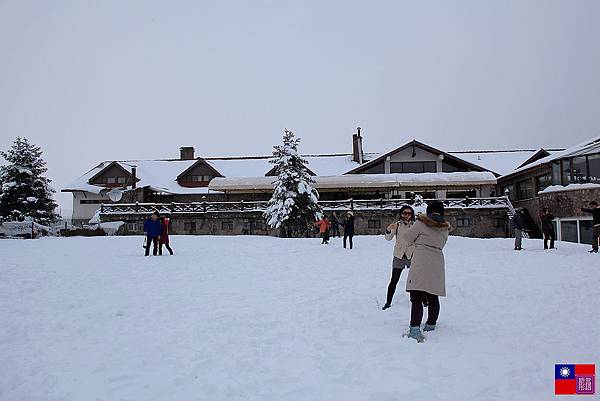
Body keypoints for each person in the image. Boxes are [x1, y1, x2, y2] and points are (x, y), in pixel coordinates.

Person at [402, 201, 451, 342]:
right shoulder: (445, 228)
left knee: (416, 296)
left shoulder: (421, 223)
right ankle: (431, 325)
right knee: (433, 295)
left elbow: (407, 238)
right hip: (437, 260)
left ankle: (415, 329)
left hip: (421, 260)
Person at [382, 205, 416, 310]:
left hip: (412, 255)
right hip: (399, 255)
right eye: (404, 213)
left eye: (409, 213)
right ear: (401, 214)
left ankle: (422, 300)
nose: (407, 215)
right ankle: (388, 302)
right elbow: (388, 238)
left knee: (416, 280)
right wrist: (388, 229)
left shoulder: (416, 225)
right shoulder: (397, 225)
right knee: (394, 280)